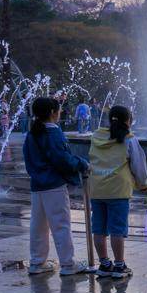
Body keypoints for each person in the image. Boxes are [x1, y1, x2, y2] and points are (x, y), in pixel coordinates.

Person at [23, 96, 91, 276]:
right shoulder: (53, 133)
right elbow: (62, 159)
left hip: (37, 185)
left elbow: (29, 159)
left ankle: (37, 262)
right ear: (53, 112)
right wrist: (81, 163)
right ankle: (68, 264)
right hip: (54, 184)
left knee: (38, 225)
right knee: (61, 224)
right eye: (58, 109)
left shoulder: (32, 133)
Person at [87, 105, 147, 279]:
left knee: (98, 228)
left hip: (97, 189)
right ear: (128, 120)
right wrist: (143, 183)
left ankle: (104, 264)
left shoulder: (96, 136)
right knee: (117, 229)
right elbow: (138, 163)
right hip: (118, 190)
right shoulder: (128, 139)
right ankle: (120, 266)